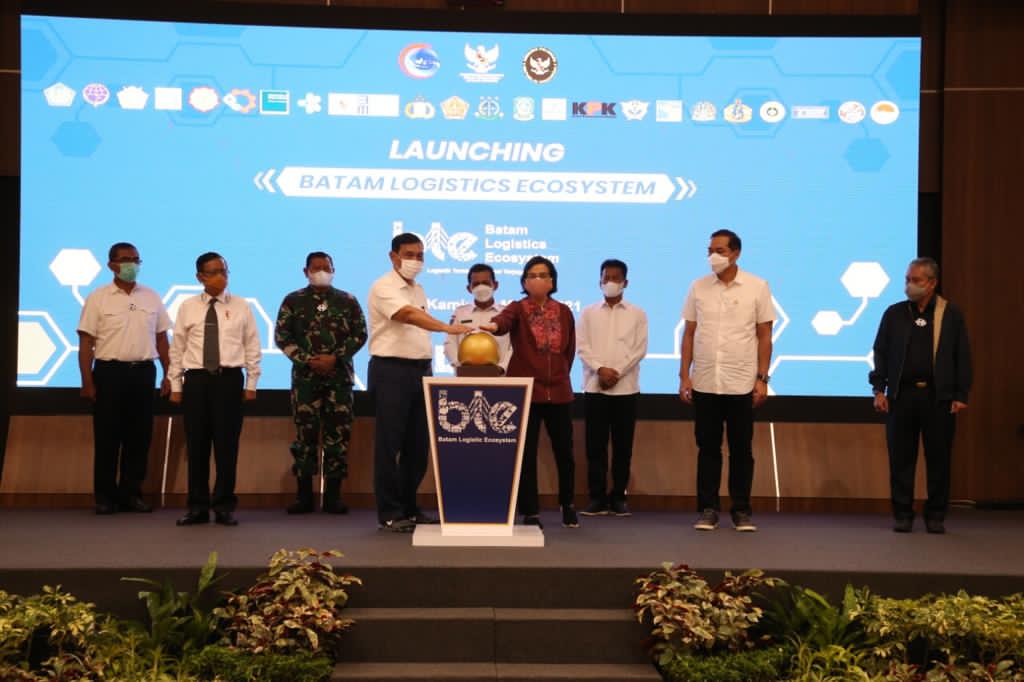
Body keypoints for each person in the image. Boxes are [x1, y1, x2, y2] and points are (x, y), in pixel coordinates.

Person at [367, 233, 472, 532]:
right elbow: (408, 315)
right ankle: (390, 512)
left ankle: (409, 508)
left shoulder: (419, 289)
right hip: (391, 371)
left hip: (420, 371)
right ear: (393, 257)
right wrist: (446, 328)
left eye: (420, 255)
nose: (415, 261)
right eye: (409, 255)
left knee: (418, 445)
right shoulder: (384, 286)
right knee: (389, 445)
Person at [679, 229, 774, 533]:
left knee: (741, 449)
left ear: (736, 253)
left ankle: (741, 510)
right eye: (710, 250)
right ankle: (708, 509)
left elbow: (764, 335)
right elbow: (689, 333)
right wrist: (684, 375)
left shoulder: (757, 286)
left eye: (719, 250)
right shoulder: (698, 287)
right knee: (707, 448)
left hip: (741, 382)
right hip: (705, 381)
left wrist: (762, 378)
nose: (713, 256)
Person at [869, 257, 972, 534]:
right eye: (907, 280)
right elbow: (881, 352)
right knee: (901, 459)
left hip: (938, 398)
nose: (909, 286)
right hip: (901, 397)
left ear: (932, 283)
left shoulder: (950, 314)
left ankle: (935, 514)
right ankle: (903, 514)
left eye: (916, 281)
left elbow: (962, 356)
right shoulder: (895, 313)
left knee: (939, 459)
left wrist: (960, 394)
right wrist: (879, 389)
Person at [481, 256, 579, 529]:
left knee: (565, 453)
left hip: (559, 392)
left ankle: (568, 505)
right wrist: (493, 326)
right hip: (526, 392)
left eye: (543, 275)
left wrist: (559, 375)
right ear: (524, 282)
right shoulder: (518, 308)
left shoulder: (564, 311)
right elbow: (503, 321)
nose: (538, 280)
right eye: (532, 275)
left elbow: (569, 351)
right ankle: (530, 510)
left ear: (552, 281)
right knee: (526, 453)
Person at [77, 242, 171, 515]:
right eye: (126, 259)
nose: (132, 264)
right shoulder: (98, 297)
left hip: (143, 373)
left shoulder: (151, 296)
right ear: (111, 265)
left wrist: (169, 374)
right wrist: (87, 382)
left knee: (139, 437)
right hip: (109, 373)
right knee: (107, 437)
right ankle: (105, 497)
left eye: (136, 259)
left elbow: (162, 339)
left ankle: (131, 494)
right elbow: (86, 344)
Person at [168, 252, 262, 527]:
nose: (221, 277)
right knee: (197, 446)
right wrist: (175, 385)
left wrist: (252, 382)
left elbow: (252, 345)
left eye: (224, 271)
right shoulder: (187, 307)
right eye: (214, 272)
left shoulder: (242, 305)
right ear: (200, 277)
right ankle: (197, 507)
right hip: (196, 380)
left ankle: (223, 506)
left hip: (228, 380)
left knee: (226, 446)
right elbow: (178, 348)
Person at [275, 251, 367, 515]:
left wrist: (335, 358)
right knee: (305, 438)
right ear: (306, 272)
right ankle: (304, 497)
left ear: (333, 270)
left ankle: (333, 497)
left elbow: (360, 334)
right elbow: (282, 337)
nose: (322, 272)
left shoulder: (348, 301)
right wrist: (307, 360)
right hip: (305, 380)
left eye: (326, 267)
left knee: (337, 437)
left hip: (339, 380)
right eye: (316, 268)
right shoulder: (293, 300)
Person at [577, 259, 648, 517]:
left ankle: (618, 497)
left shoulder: (637, 313)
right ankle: (597, 498)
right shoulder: (588, 313)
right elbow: (582, 347)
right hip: (595, 388)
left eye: (616, 278)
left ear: (625, 282)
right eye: (606, 278)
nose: (610, 282)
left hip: (626, 388)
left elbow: (639, 349)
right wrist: (600, 369)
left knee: (622, 447)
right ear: (600, 281)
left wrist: (617, 371)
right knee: (595, 447)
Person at [443, 263, 512, 373]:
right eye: (476, 284)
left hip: (500, 377)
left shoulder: (507, 313)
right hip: (466, 377)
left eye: (485, 283)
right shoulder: (460, 313)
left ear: (495, 285)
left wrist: (501, 368)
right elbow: (450, 343)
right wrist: (460, 367)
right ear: (469, 288)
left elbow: (513, 347)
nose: (481, 287)